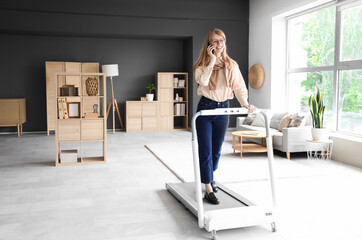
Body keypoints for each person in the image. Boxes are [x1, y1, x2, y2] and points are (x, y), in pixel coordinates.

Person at [193, 29, 256, 205]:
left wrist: (245, 103)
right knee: (205, 150)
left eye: (221, 41)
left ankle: (210, 177)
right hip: (206, 108)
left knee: (216, 150)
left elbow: (239, 87)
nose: (219, 44)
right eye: (215, 41)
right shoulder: (200, 66)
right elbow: (203, 82)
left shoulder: (231, 65)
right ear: (209, 44)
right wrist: (212, 61)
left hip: (224, 109)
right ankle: (207, 187)